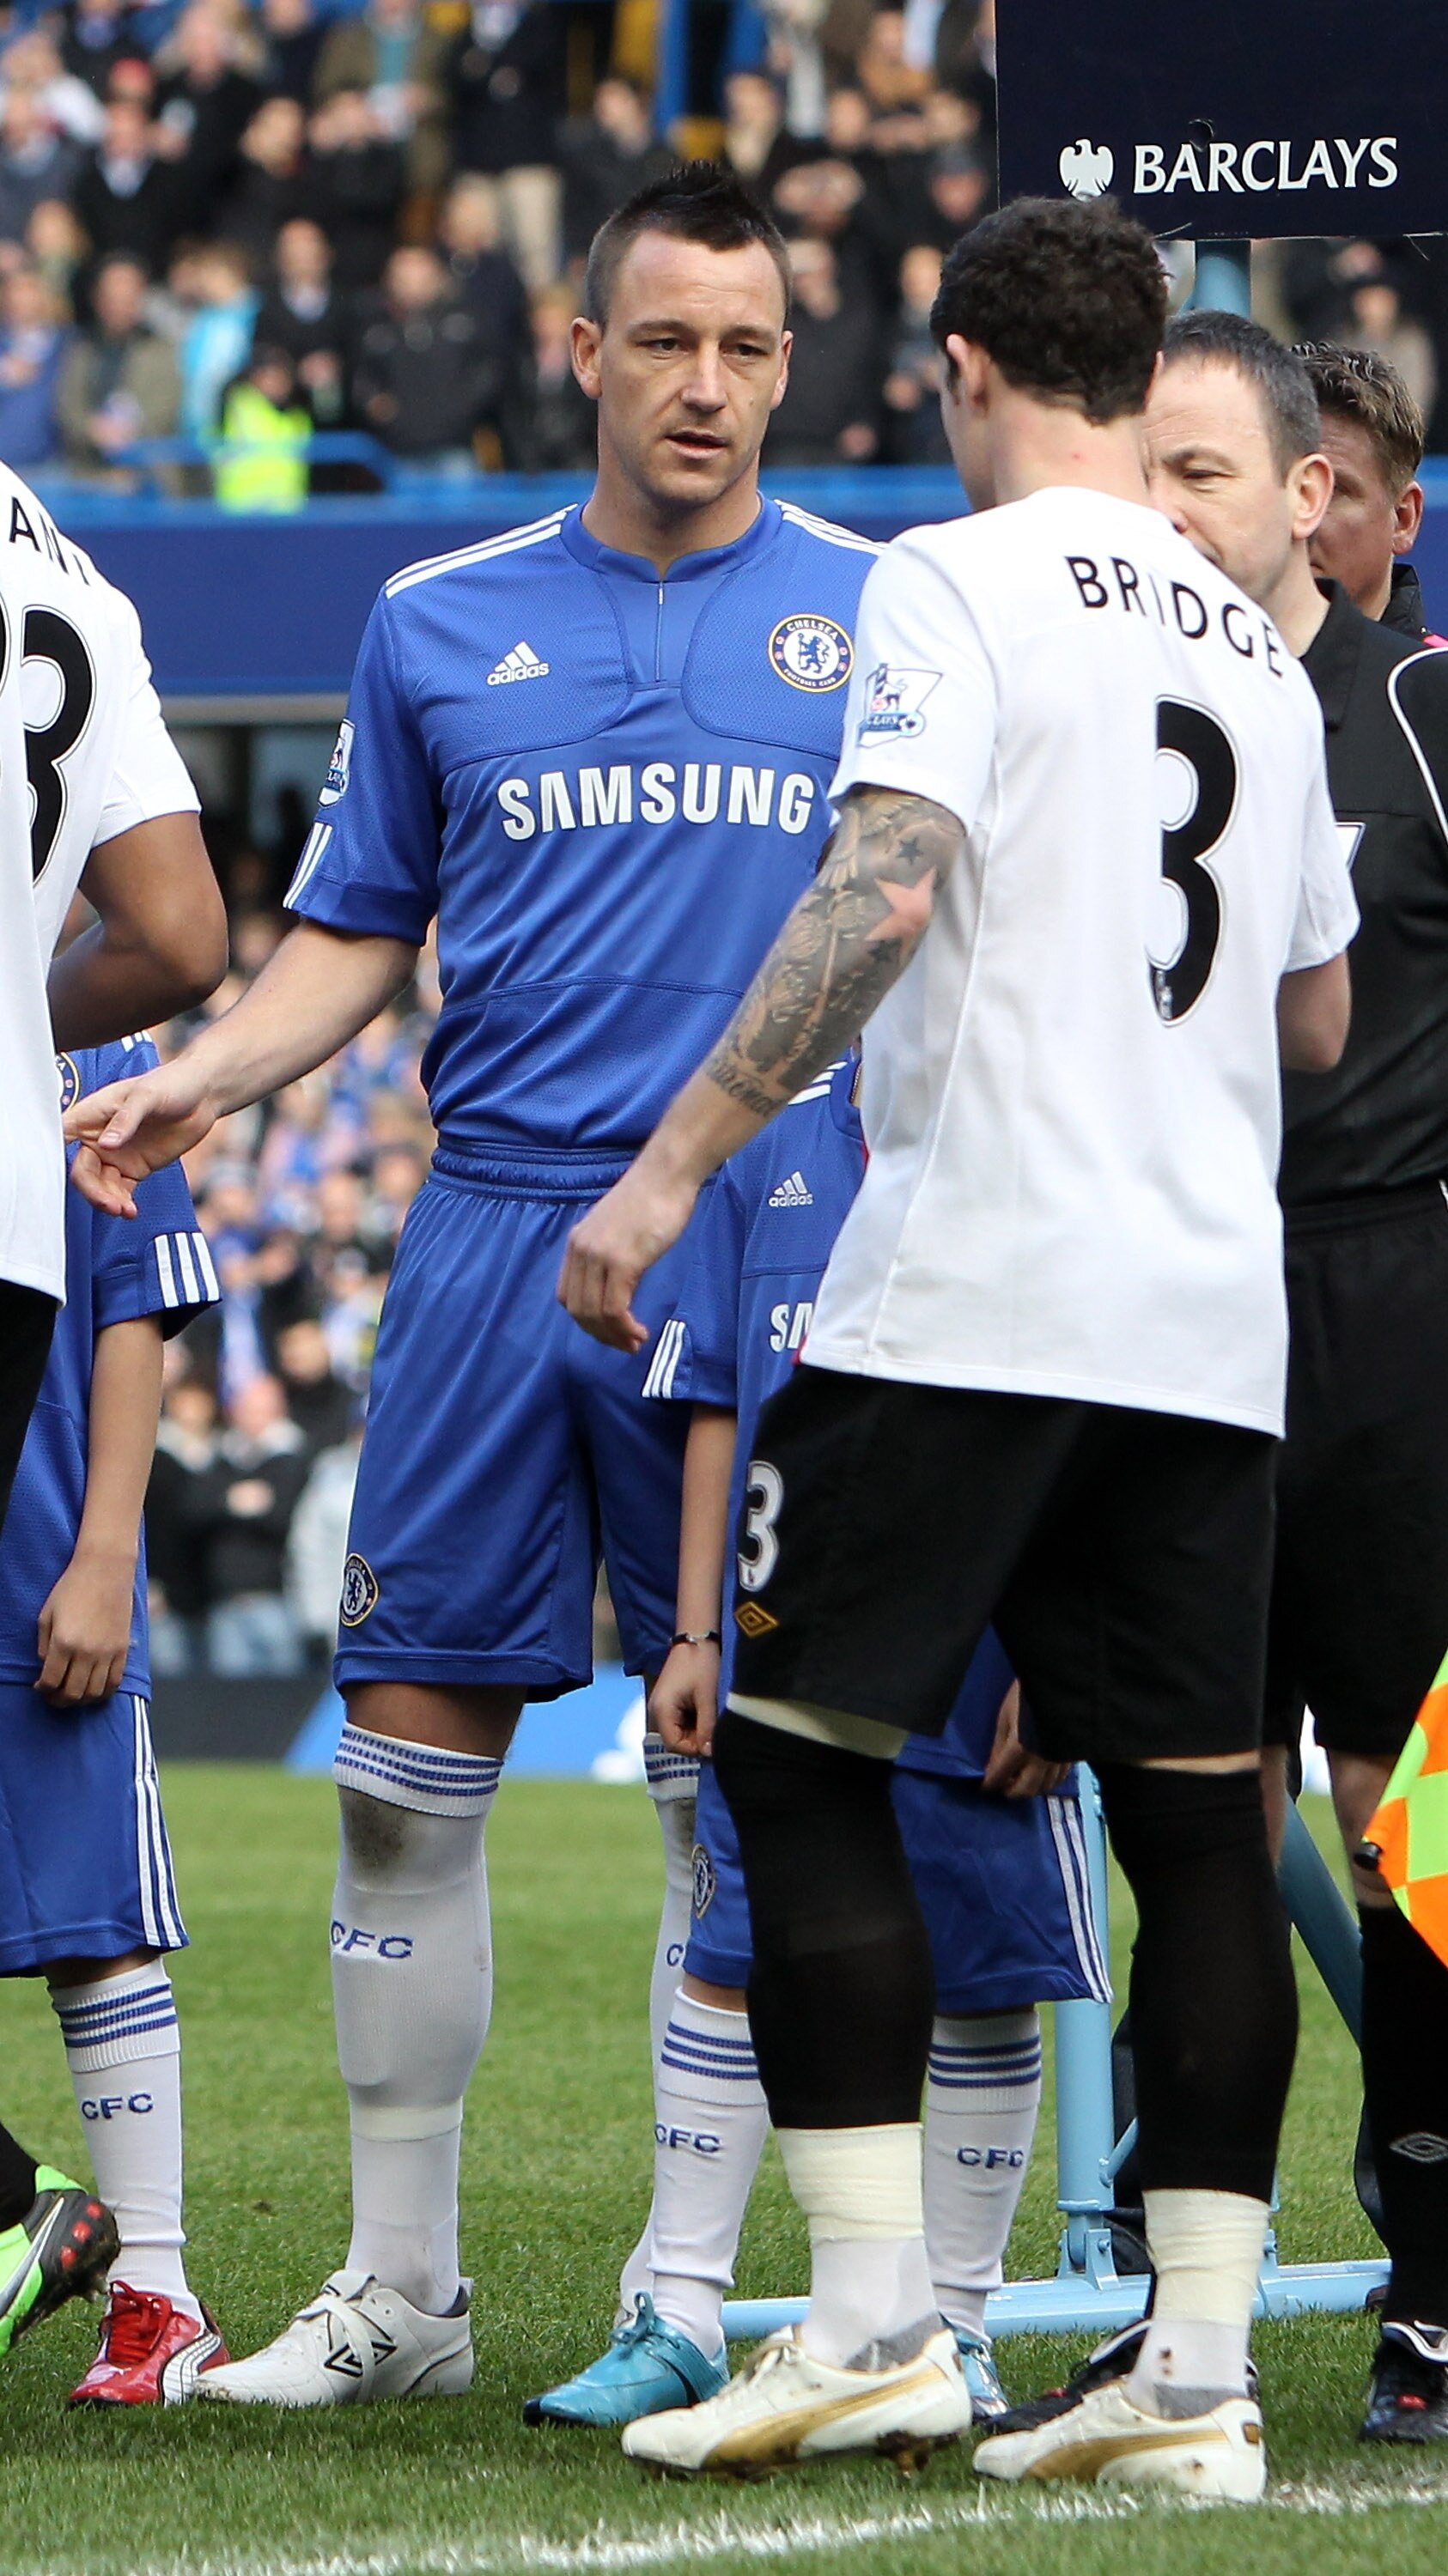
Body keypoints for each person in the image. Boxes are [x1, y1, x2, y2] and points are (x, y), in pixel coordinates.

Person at [558, 196, 1356, 2493]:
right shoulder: (1247, 636)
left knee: (796, 1763)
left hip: (973, 1283)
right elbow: (1305, 1011)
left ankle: (874, 2321)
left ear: (959, 368)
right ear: (1137, 378)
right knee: (1201, 1830)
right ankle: (1192, 2383)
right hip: (1203, 1319)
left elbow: (885, 870)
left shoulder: (951, 572)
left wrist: (675, 1162)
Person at [64, 163, 876, 2411]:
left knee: (740, 1780)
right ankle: (401, 2296)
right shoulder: (434, 619)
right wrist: (205, 1081)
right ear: (583, 349)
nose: (704, 384)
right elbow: (352, 931)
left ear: (785, 364)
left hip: (758, 1245)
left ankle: (683, 2293)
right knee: (400, 1773)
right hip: (492, 1237)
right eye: (666, 340)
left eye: (744, 345)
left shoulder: (879, 616)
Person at [528, 1049, 1109, 2431]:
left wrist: (1059, 1639)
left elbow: (1085, 1403)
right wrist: (689, 1630)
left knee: (981, 1974)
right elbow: (720, 1400)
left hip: (977, 1630)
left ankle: (952, 2326)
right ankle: (674, 2306)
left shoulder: (1029, 1118)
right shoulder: (762, 1133)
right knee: (731, 1958)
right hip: (776, 1618)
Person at [1144, 313, 1448, 2445]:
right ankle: (1190, 2320)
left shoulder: (1417, 711)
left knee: (1397, 1822)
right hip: (1168, 1292)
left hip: (1384, 1297)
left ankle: (1427, 2283)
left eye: (1311, 473)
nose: (1289, 504)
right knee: (1190, 1815)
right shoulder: (1132, 698)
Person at [0, 1032, 227, 2403]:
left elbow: (134, 1308)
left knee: (96, 1928)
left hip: (37, 1562)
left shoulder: (101, 1040)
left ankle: (155, 2286)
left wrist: (102, 1555)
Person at [1295, 341, 1444, 643]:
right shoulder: (1199, 678)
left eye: (1333, 491)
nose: (1298, 520)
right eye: (1282, 487)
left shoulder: (1434, 686)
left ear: (1403, 519)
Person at [351, 245, 496, 472]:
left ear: (436, 277)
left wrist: (458, 409)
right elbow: (362, 380)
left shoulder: (464, 322)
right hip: (400, 451)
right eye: (403, 278)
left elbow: (487, 373)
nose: (411, 286)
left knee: (461, 508)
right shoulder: (375, 328)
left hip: (454, 447)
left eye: (419, 276)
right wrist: (378, 406)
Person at [57, 251, 181, 481]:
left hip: (146, 477)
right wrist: (92, 429)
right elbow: (68, 406)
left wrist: (125, 432)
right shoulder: (81, 349)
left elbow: (165, 410)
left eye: (128, 299)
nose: (119, 307)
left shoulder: (161, 350)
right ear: (98, 299)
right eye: (112, 298)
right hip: (87, 475)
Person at [0, 258, 70, 465]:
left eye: (30, 289)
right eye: (15, 290)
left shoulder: (70, 345)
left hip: (52, 469)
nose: (22, 298)